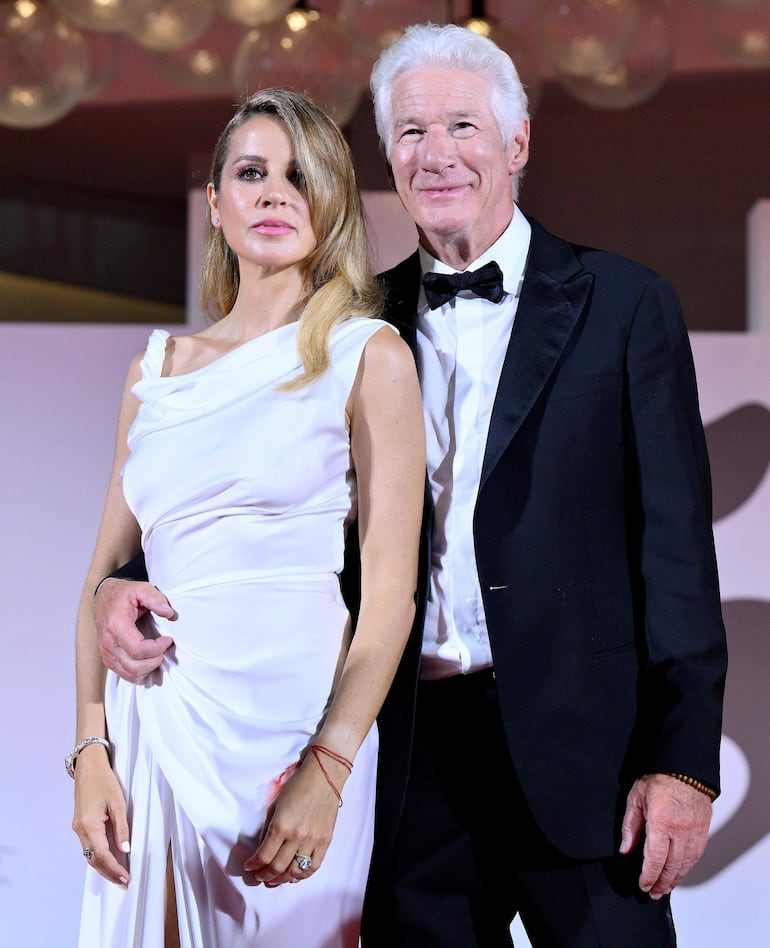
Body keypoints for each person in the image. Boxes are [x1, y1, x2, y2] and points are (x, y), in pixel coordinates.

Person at [91, 23, 728, 948]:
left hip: (586, 760)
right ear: (387, 155)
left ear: (516, 143)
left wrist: (683, 764)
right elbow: (225, 490)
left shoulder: (625, 305)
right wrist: (119, 581)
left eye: (463, 126)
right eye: (411, 132)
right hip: (403, 757)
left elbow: (676, 552)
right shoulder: (346, 325)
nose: (437, 156)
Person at [68, 87, 425, 948]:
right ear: (217, 205)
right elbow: (103, 576)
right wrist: (89, 752)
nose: (274, 194)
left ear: (333, 205)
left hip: (292, 738)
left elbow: (389, 599)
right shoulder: (157, 367)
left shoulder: (367, 355)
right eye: (252, 173)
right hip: (154, 723)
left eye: (301, 177)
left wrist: (329, 769)